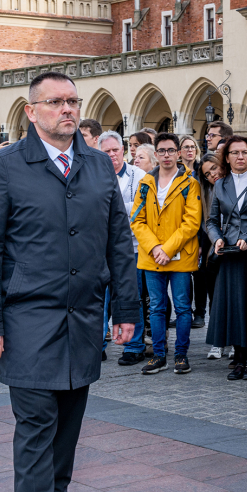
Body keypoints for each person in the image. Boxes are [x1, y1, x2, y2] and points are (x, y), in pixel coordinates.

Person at [0, 71, 138, 492]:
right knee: (37, 425)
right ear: (31, 110)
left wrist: (126, 309)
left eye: (72, 101)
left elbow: (119, 244)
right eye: (55, 102)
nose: (67, 109)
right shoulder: (4, 166)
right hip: (26, 319)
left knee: (68, 425)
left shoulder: (97, 166)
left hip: (82, 318)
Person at [130, 132, 202, 374]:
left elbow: (192, 222)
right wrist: (155, 248)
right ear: (156, 154)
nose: (167, 155)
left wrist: (168, 249)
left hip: (180, 255)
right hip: (152, 257)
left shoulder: (190, 183)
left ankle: (181, 354)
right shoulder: (145, 183)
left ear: (178, 153)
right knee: (156, 307)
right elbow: (137, 220)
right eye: (162, 151)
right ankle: (159, 355)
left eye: (171, 150)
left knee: (182, 307)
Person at [206, 136, 247, 380]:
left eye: (244, 152)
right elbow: (211, 220)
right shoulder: (220, 184)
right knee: (234, 304)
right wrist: (217, 239)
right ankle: (238, 358)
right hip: (229, 252)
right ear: (227, 156)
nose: (240, 157)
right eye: (234, 152)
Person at [98, 130, 147, 365]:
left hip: (132, 248)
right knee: (99, 300)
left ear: (124, 150)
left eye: (115, 150)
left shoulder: (138, 174)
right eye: (106, 151)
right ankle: (97, 344)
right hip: (99, 249)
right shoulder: (93, 175)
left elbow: (141, 208)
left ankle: (134, 346)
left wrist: (111, 207)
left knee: (130, 297)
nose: (111, 155)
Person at [197, 153, 225, 358]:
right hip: (213, 248)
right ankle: (218, 341)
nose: (212, 174)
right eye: (207, 173)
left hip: (239, 246)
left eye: (214, 168)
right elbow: (207, 224)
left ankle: (234, 342)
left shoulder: (236, 184)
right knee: (214, 297)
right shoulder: (207, 193)